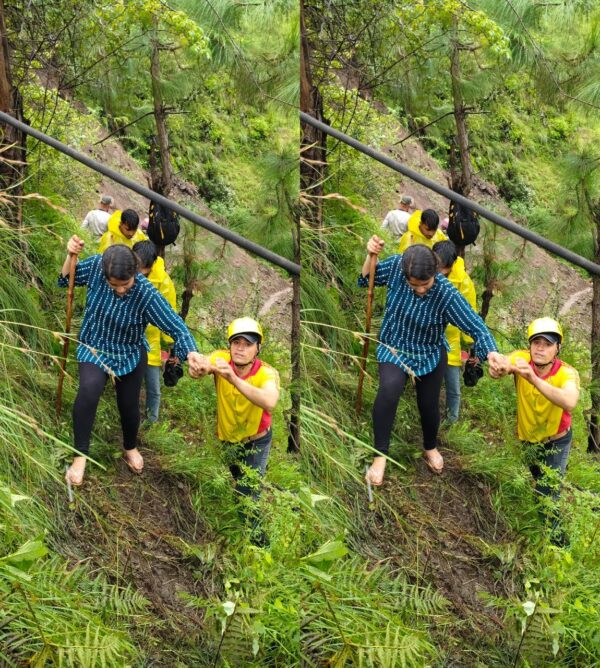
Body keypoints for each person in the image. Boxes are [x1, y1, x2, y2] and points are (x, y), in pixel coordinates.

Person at [59, 235, 209, 485]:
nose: (120, 290)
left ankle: (130, 446)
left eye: (125, 284)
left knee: (129, 405)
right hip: (94, 346)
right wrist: (70, 255)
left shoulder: (145, 293)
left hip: (128, 352)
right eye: (114, 285)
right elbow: (66, 279)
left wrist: (192, 353)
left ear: (135, 273)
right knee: (88, 391)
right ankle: (80, 455)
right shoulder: (96, 266)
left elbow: (176, 326)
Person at [360, 238, 506, 482]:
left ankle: (430, 446)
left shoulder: (445, 293)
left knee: (428, 404)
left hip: (429, 352)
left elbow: (476, 327)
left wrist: (491, 353)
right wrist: (370, 255)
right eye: (414, 285)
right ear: (405, 274)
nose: (420, 289)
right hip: (394, 346)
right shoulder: (396, 266)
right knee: (388, 390)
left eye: (425, 284)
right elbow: (367, 279)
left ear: (435, 273)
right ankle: (380, 455)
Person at [489, 318, 579, 539]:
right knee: (541, 483)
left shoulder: (566, 373)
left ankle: (558, 545)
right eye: (536, 342)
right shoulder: (521, 359)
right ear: (529, 345)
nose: (540, 348)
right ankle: (563, 499)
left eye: (548, 344)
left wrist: (533, 379)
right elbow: (506, 363)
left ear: (557, 348)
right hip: (528, 440)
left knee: (546, 495)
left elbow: (569, 401)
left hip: (556, 441)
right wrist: (498, 368)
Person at [192, 318, 279, 505]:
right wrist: (199, 368)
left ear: (258, 348)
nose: (240, 349)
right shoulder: (221, 359)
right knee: (239, 478)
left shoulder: (266, 373)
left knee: (246, 497)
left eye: (248, 344)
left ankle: (254, 523)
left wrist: (234, 379)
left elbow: (270, 401)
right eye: (236, 342)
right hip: (227, 439)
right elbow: (206, 363)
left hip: (256, 442)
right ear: (229, 345)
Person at [433, 239, 476, 424]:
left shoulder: (463, 281)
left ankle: (451, 421)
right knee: (428, 384)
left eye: (443, 269)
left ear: (452, 264)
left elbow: (469, 313)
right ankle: (429, 417)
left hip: (450, 341)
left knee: (453, 386)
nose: (440, 272)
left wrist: (472, 343)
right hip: (427, 337)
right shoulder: (426, 269)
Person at [133, 240, 176, 424]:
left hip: (150, 341)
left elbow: (169, 313)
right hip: (127, 337)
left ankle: (152, 422)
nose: (140, 273)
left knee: (153, 387)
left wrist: (172, 344)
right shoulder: (125, 269)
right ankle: (130, 418)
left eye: (144, 269)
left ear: (152, 264)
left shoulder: (163, 282)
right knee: (129, 384)